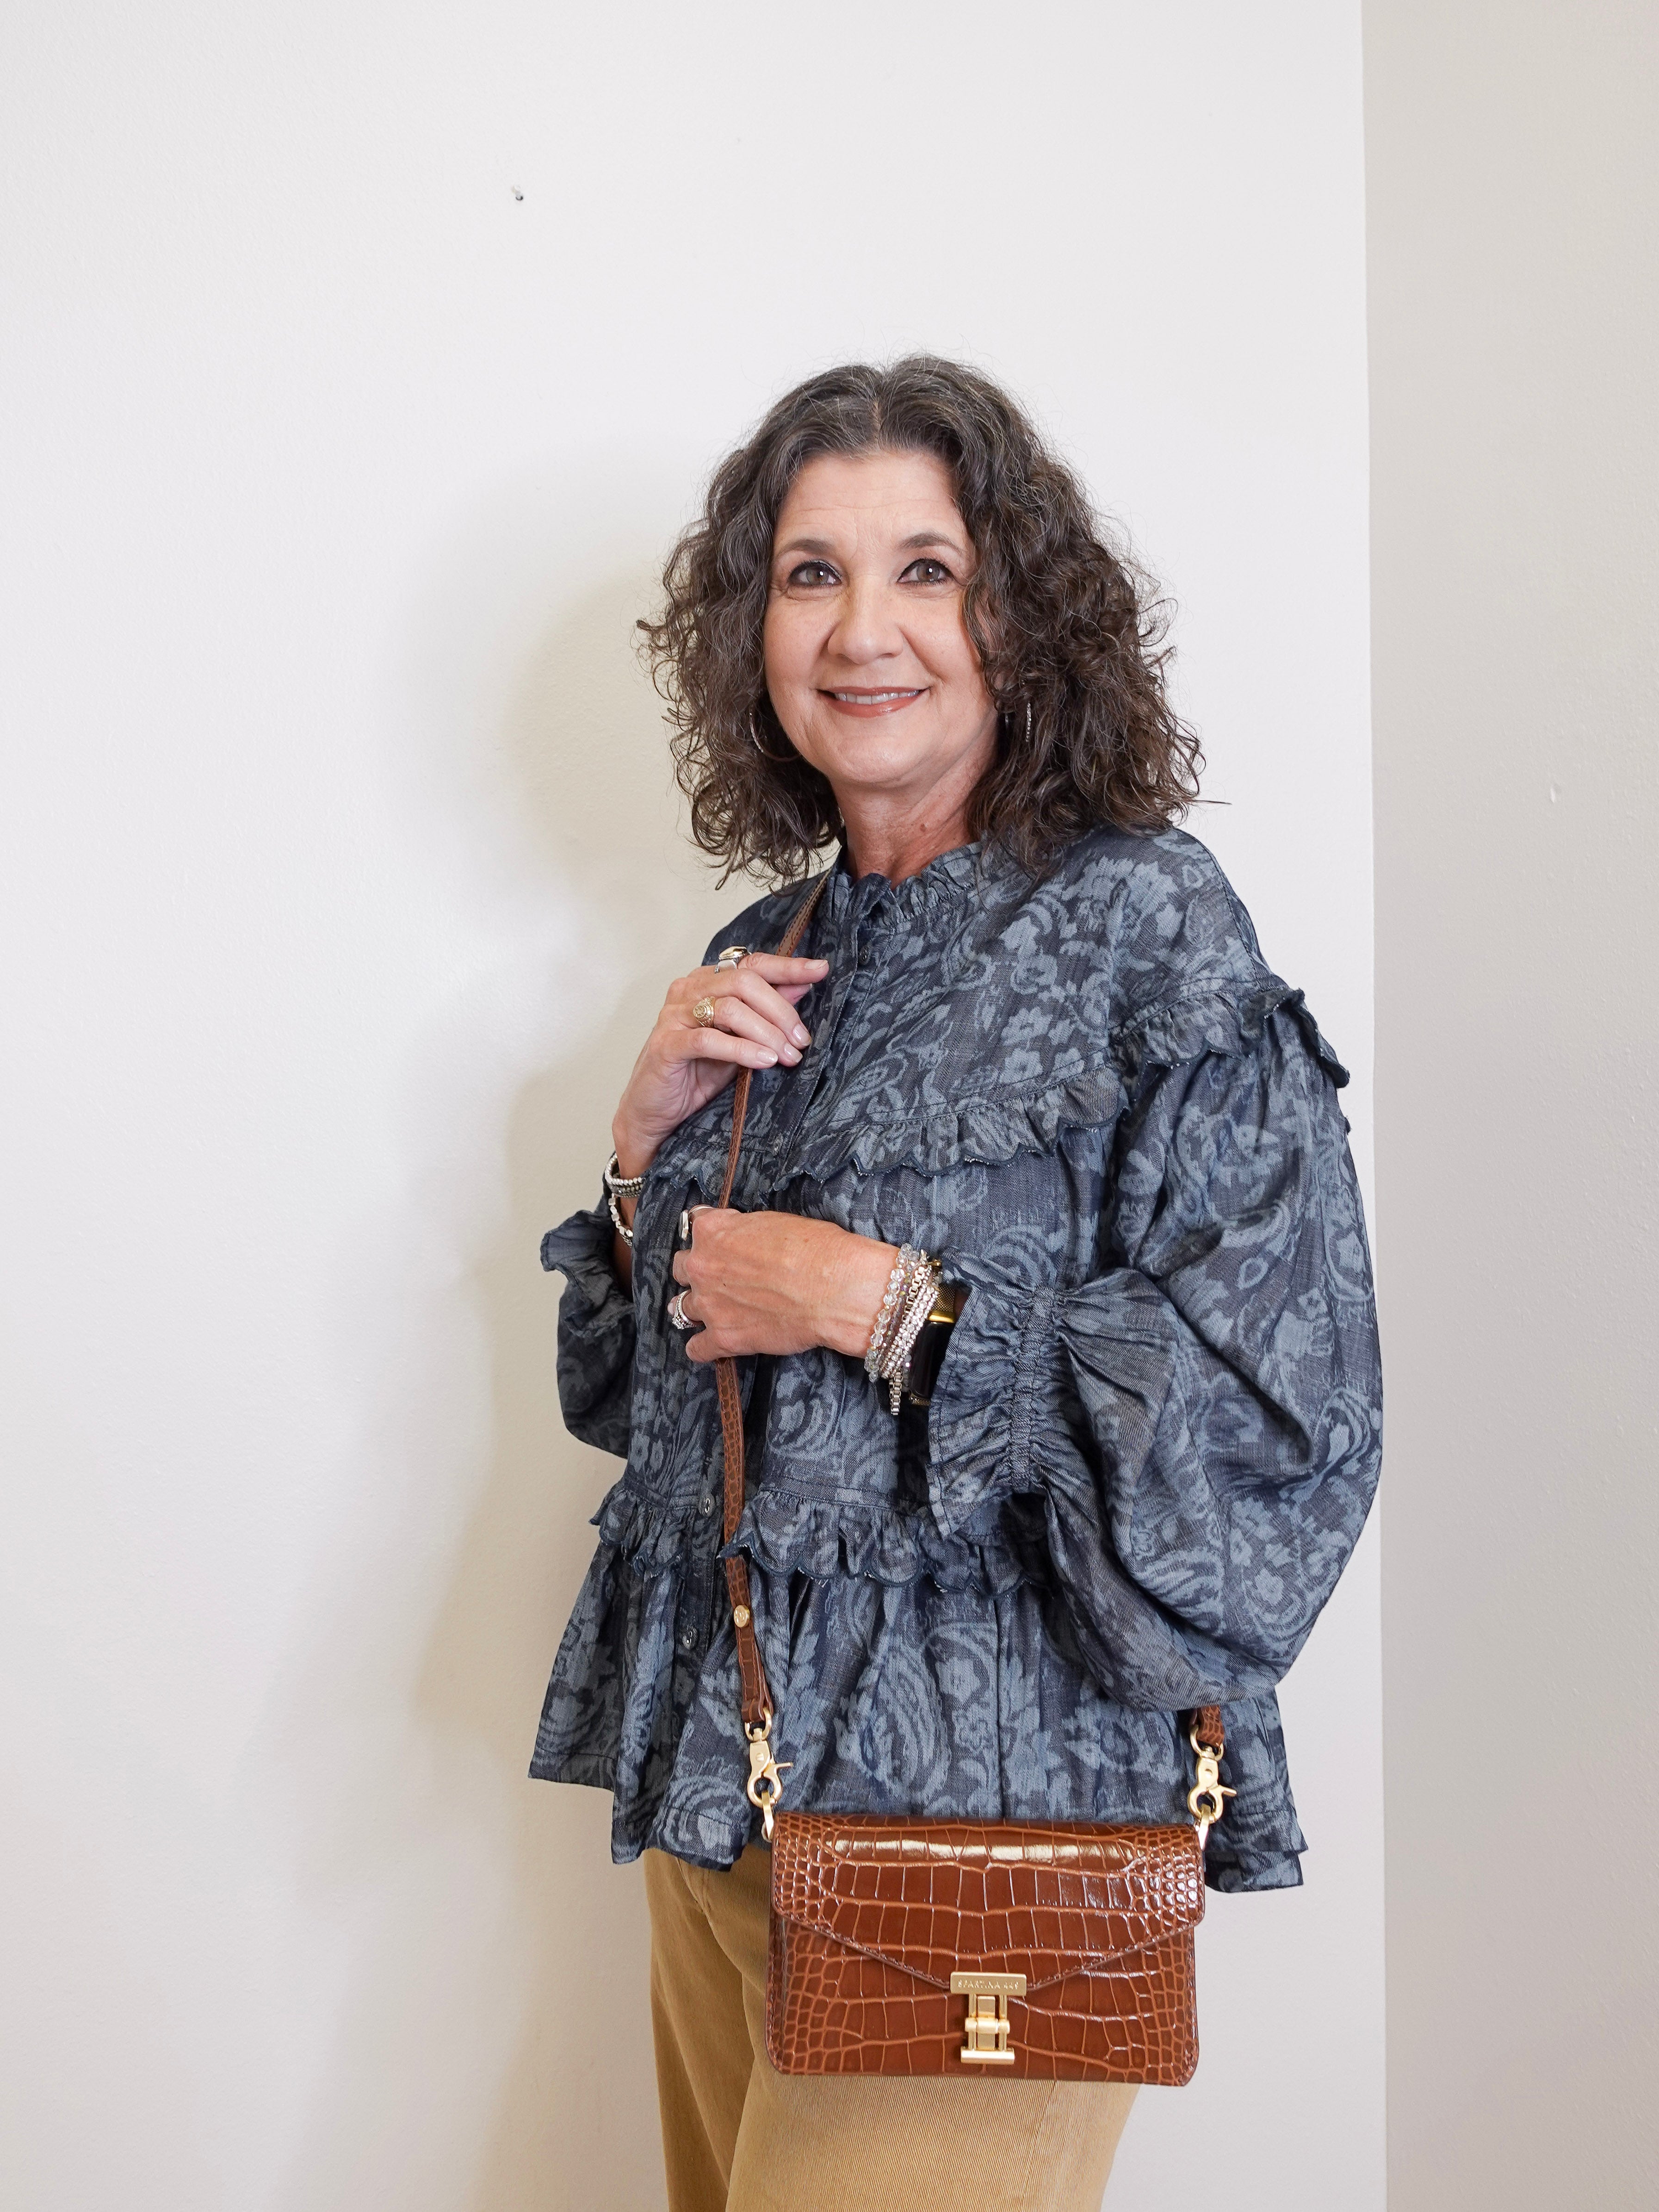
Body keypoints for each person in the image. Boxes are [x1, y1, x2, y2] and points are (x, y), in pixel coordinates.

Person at [533, 357, 1382, 2212]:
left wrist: (882, 1303)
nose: (862, 631)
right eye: (810, 573)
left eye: (926, 569)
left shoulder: (1146, 922)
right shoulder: (771, 950)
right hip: (733, 1807)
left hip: (987, 1828)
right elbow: (644, 1394)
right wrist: (639, 1136)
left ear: (1021, 613)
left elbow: (1279, 1411)